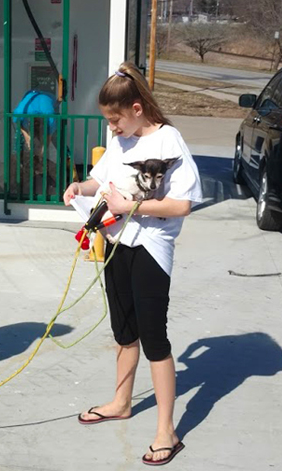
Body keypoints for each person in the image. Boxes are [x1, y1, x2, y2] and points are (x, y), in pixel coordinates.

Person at [63, 62, 202, 466]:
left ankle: (167, 431)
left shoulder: (168, 140)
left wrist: (134, 206)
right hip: (115, 243)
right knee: (124, 332)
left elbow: (183, 204)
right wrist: (80, 186)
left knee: (154, 338)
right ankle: (122, 401)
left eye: (115, 119)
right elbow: (101, 180)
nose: (111, 128)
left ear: (137, 108)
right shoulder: (122, 142)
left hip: (151, 248)